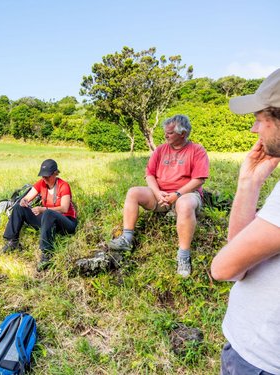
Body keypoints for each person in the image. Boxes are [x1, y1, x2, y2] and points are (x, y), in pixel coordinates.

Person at [211, 68, 280, 374]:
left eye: (260, 118)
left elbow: (224, 268)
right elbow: (241, 252)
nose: (255, 129)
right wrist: (248, 184)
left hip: (260, 360)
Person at [108, 115, 209, 277]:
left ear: (182, 134)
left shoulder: (197, 150)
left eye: (169, 133)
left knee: (184, 204)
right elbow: (149, 174)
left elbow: (199, 179)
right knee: (133, 192)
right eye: (165, 132)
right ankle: (126, 239)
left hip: (186, 195)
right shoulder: (160, 149)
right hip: (160, 194)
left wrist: (177, 194)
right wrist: (157, 193)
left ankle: (183, 256)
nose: (165, 135)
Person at [0, 159, 78, 271]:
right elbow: (28, 197)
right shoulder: (41, 184)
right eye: (43, 176)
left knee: (49, 213)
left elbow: (64, 208)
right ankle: (12, 241)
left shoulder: (63, 186)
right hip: (48, 220)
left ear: (55, 173)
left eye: (47, 176)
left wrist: (43, 209)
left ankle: (47, 254)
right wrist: (24, 201)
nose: (44, 179)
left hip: (67, 222)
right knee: (18, 207)